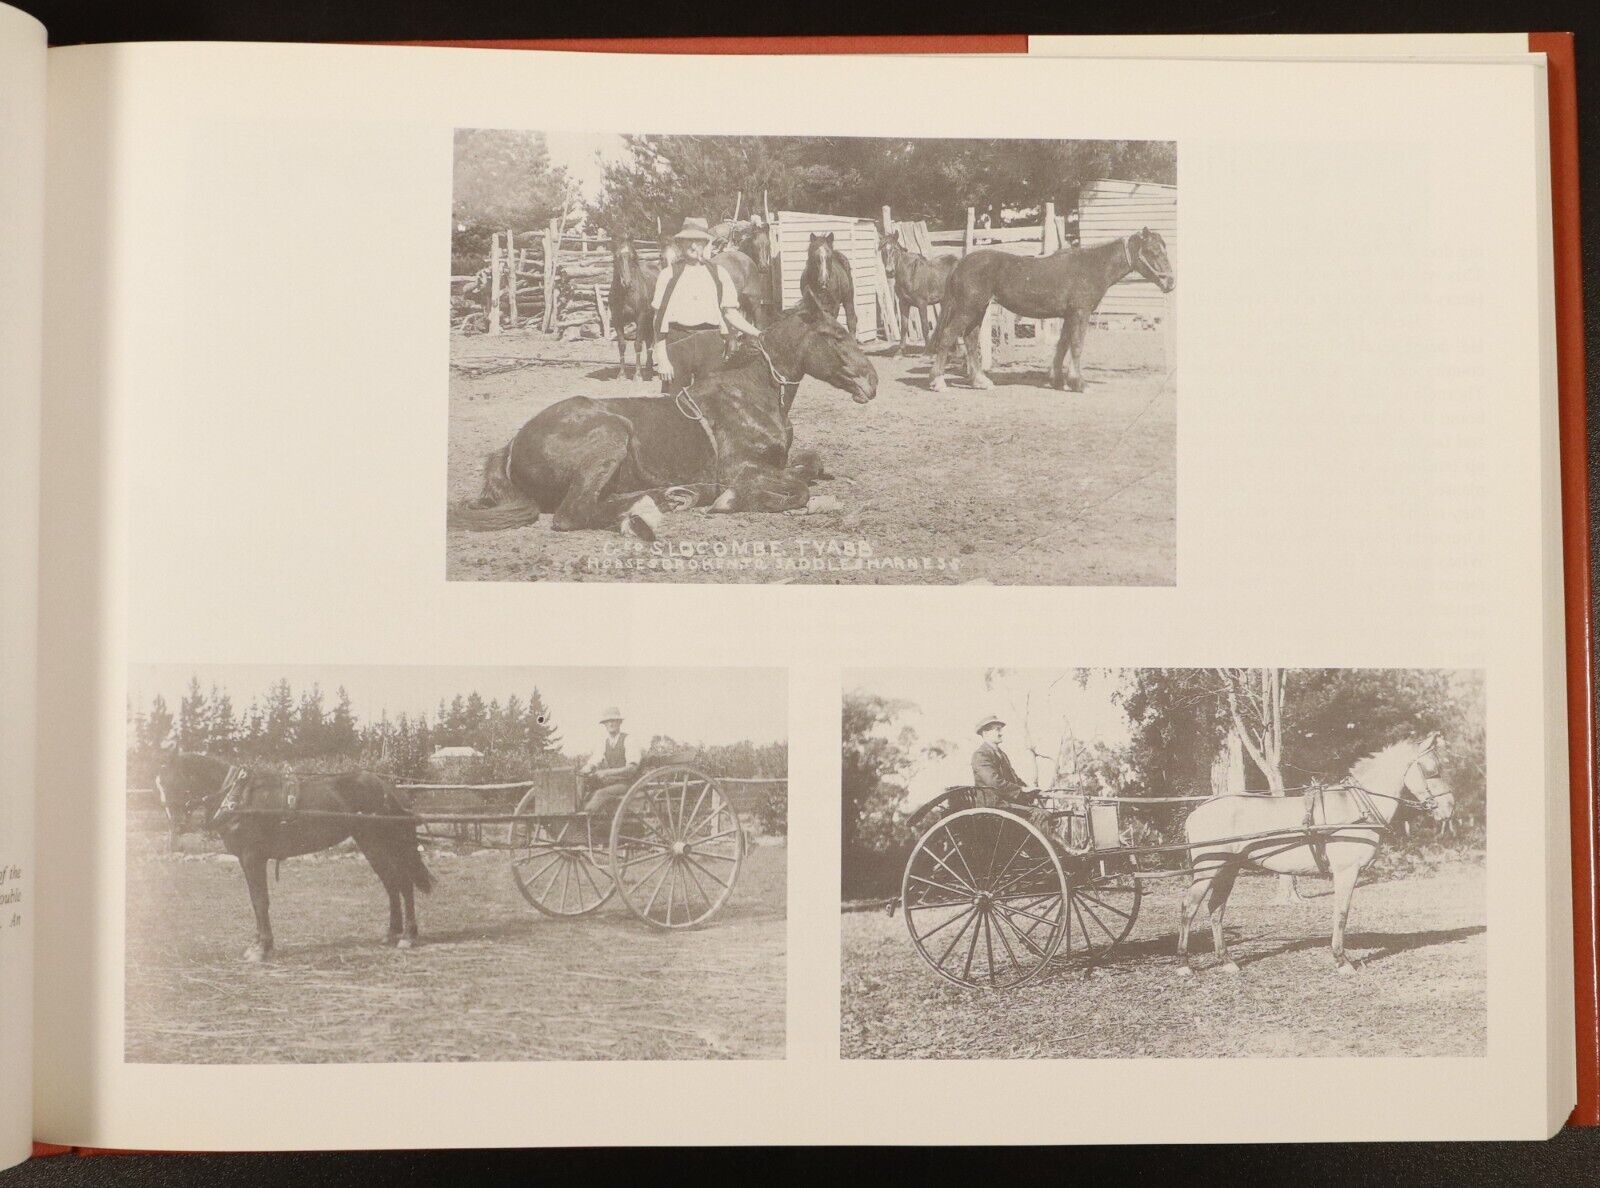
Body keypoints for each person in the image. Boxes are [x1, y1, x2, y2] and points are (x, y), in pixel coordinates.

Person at [650, 217, 764, 397]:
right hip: (678, 342)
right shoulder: (668, 275)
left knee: (712, 402)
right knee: (674, 405)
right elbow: (658, 321)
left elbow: (731, 314)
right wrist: (662, 359)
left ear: (706, 243)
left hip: (711, 343)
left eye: (700, 241)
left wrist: (758, 333)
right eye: (689, 241)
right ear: (680, 243)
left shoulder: (719, 274)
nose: (695, 246)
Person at [970, 714, 1048, 825]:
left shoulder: (1002, 754)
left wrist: (1030, 789)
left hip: (1006, 804)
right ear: (986, 733)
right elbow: (994, 782)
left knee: (1046, 813)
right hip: (993, 806)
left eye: (1000, 730)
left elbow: (1014, 778)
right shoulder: (980, 755)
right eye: (997, 730)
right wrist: (1021, 789)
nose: (1001, 733)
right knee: (1040, 814)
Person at [579, 707, 641, 819]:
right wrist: (588, 768)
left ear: (619, 722)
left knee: (600, 794)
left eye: (614, 720)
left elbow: (632, 768)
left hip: (627, 784)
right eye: (608, 721)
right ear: (605, 724)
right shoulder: (604, 742)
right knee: (583, 789)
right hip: (612, 783)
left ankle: (583, 822)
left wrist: (607, 773)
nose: (611, 723)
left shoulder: (629, 740)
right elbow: (595, 759)